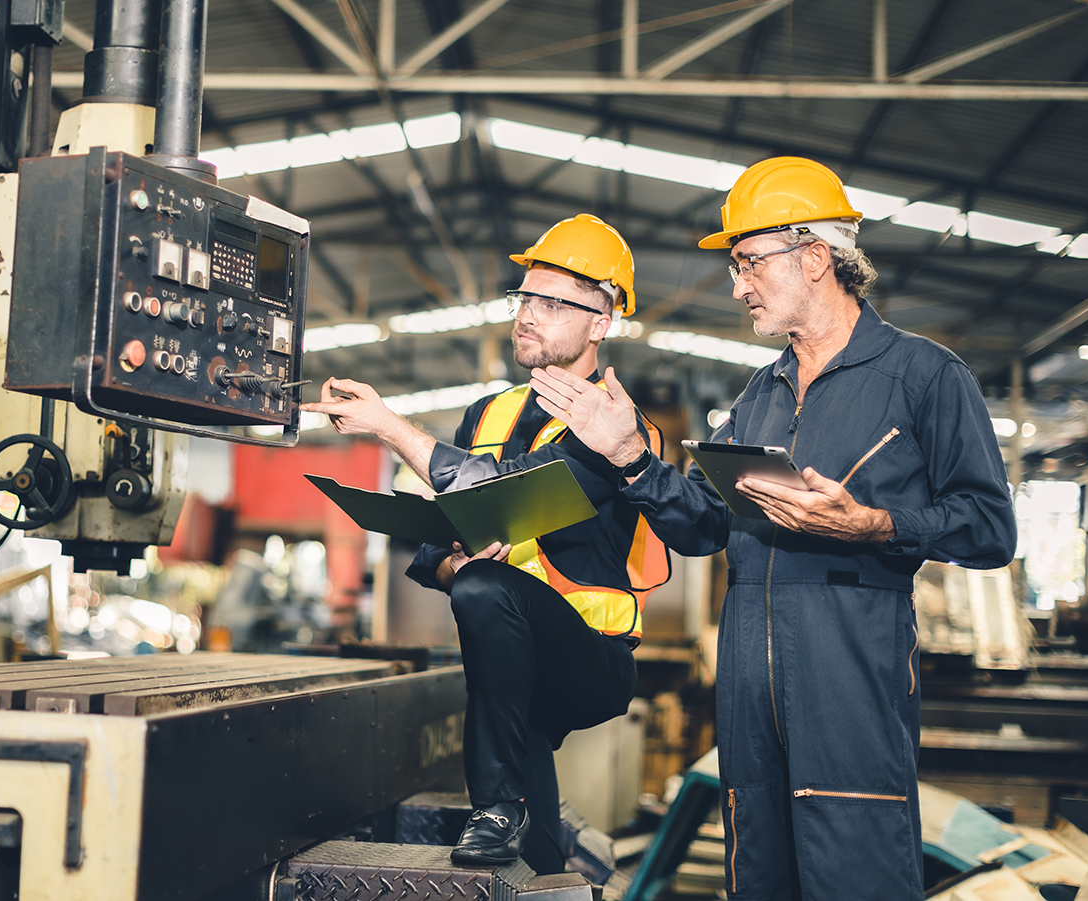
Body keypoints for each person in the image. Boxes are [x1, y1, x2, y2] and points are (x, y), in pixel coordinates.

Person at [525, 157, 1017, 899]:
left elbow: (990, 526)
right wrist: (630, 456)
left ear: (816, 256)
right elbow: (700, 527)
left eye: (748, 261)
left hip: (851, 680)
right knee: (757, 875)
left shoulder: (923, 378)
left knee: (858, 873)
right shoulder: (759, 394)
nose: (736, 285)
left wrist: (872, 523)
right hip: (748, 695)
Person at [302, 214, 670, 872]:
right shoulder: (488, 414)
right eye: (524, 297)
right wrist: (451, 561)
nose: (528, 314)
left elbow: (505, 488)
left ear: (601, 320)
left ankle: (495, 804)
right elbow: (442, 539)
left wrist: (389, 425)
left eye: (553, 302)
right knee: (533, 854)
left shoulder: (615, 424)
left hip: (590, 661)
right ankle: (539, 853)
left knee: (484, 587)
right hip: (510, 655)